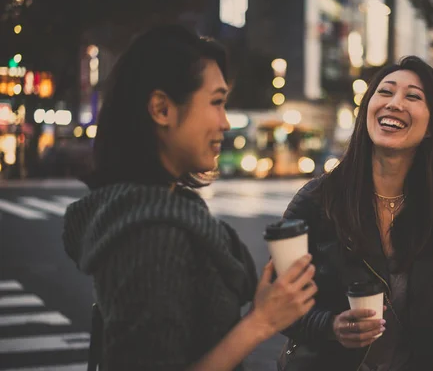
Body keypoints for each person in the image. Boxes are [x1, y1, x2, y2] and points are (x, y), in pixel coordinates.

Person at [62, 24, 317, 371]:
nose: (225, 122)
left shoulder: (168, 209)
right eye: (216, 102)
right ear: (161, 109)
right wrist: (261, 323)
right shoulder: (150, 234)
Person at [277, 56, 433, 371]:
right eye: (385, 92)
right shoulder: (316, 201)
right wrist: (330, 326)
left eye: (413, 96)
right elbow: (277, 302)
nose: (394, 104)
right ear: (367, 108)